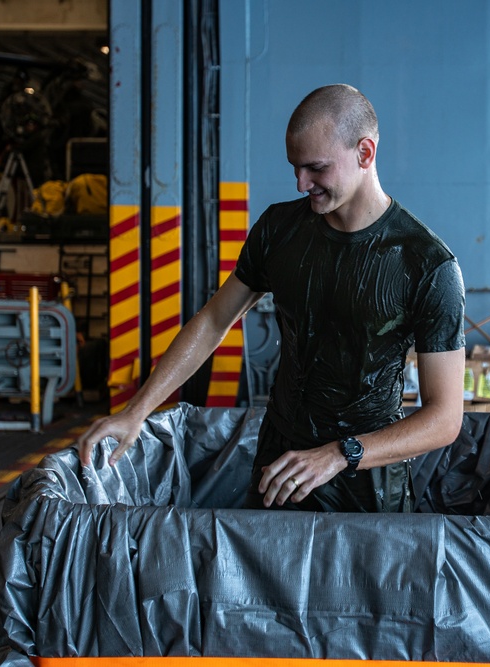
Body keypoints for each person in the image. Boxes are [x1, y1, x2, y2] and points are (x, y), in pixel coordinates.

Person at [78, 84, 466, 513]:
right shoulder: (280, 229)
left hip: (366, 486)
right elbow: (213, 321)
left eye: (315, 169)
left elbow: (445, 418)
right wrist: (137, 411)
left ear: (365, 153)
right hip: (279, 466)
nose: (302, 184)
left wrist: (340, 454)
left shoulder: (427, 264)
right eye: (295, 168)